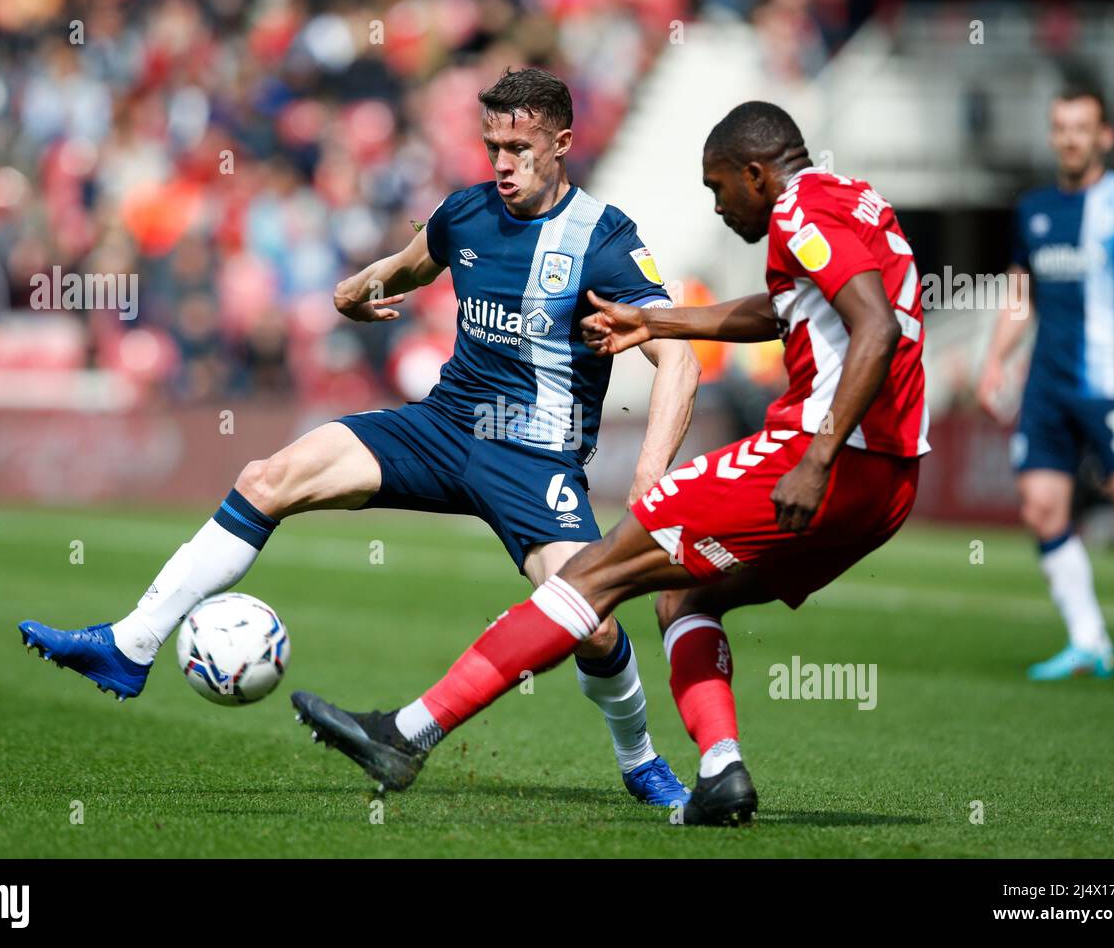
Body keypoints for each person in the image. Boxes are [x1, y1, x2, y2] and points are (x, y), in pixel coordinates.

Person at [17, 68, 701, 806]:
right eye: (491, 145)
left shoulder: (602, 240)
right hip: (440, 426)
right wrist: (354, 291)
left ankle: (639, 762)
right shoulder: (464, 214)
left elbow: (680, 355)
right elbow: (405, 268)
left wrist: (652, 474)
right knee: (265, 478)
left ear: (562, 143)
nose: (502, 164)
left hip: (532, 457)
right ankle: (132, 644)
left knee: (591, 625)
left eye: (520, 147)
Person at [290, 100, 929, 826]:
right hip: (892, 479)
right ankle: (721, 772)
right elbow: (784, 312)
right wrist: (654, 319)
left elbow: (873, 327)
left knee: (592, 575)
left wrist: (815, 458)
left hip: (821, 452)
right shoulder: (855, 200)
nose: (717, 207)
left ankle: (407, 734)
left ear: (757, 174)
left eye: (718, 188)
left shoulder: (798, 215)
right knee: (685, 598)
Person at [977, 86, 1114, 680]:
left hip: (1109, 384)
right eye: (1061, 127)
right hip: (1045, 386)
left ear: (1105, 137)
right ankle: (1089, 641)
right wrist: (994, 361)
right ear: (1052, 135)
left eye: (1082, 128)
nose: (1070, 138)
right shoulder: (1034, 210)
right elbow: (1020, 295)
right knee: (1042, 509)